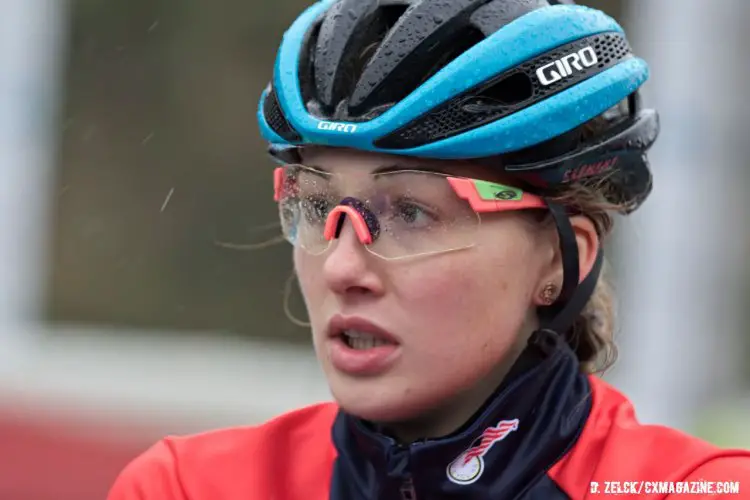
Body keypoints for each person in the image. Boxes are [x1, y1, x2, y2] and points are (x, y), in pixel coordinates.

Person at [107, 0, 750, 498]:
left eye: (412, 212)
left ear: (561, 258)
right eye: (316, 205)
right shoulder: (187, 488)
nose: (342, 267)